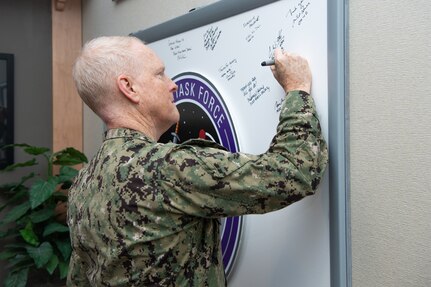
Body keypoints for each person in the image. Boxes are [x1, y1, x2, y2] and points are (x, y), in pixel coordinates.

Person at [67, 35, 328, 287]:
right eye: (159, 74)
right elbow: (295, 171)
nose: (173, 84)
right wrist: (297, 89)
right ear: (129, 88)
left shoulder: (83, 184)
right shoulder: (166, 169)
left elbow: (80, 279)